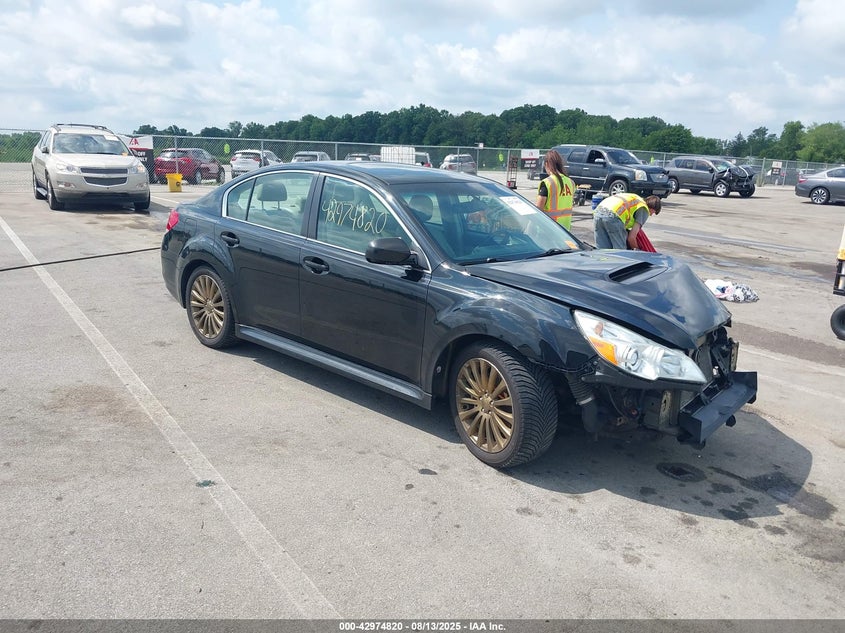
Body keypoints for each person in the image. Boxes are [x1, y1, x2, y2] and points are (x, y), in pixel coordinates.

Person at [593, 192, 661, 250]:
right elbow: (631, 238)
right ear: (652, 208)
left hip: (598, 212)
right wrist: (638, 251)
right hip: (613, 216)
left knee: (602, 251)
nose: (651, 215)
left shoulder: (635, 198)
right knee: (620, 252)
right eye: (654, 212)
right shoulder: (644, 208)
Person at [535, 150, 575, 230]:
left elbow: (538, 210)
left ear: (546, 164)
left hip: (549, 229)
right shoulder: (571, 182)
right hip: (565, 229)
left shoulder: (547, 183)